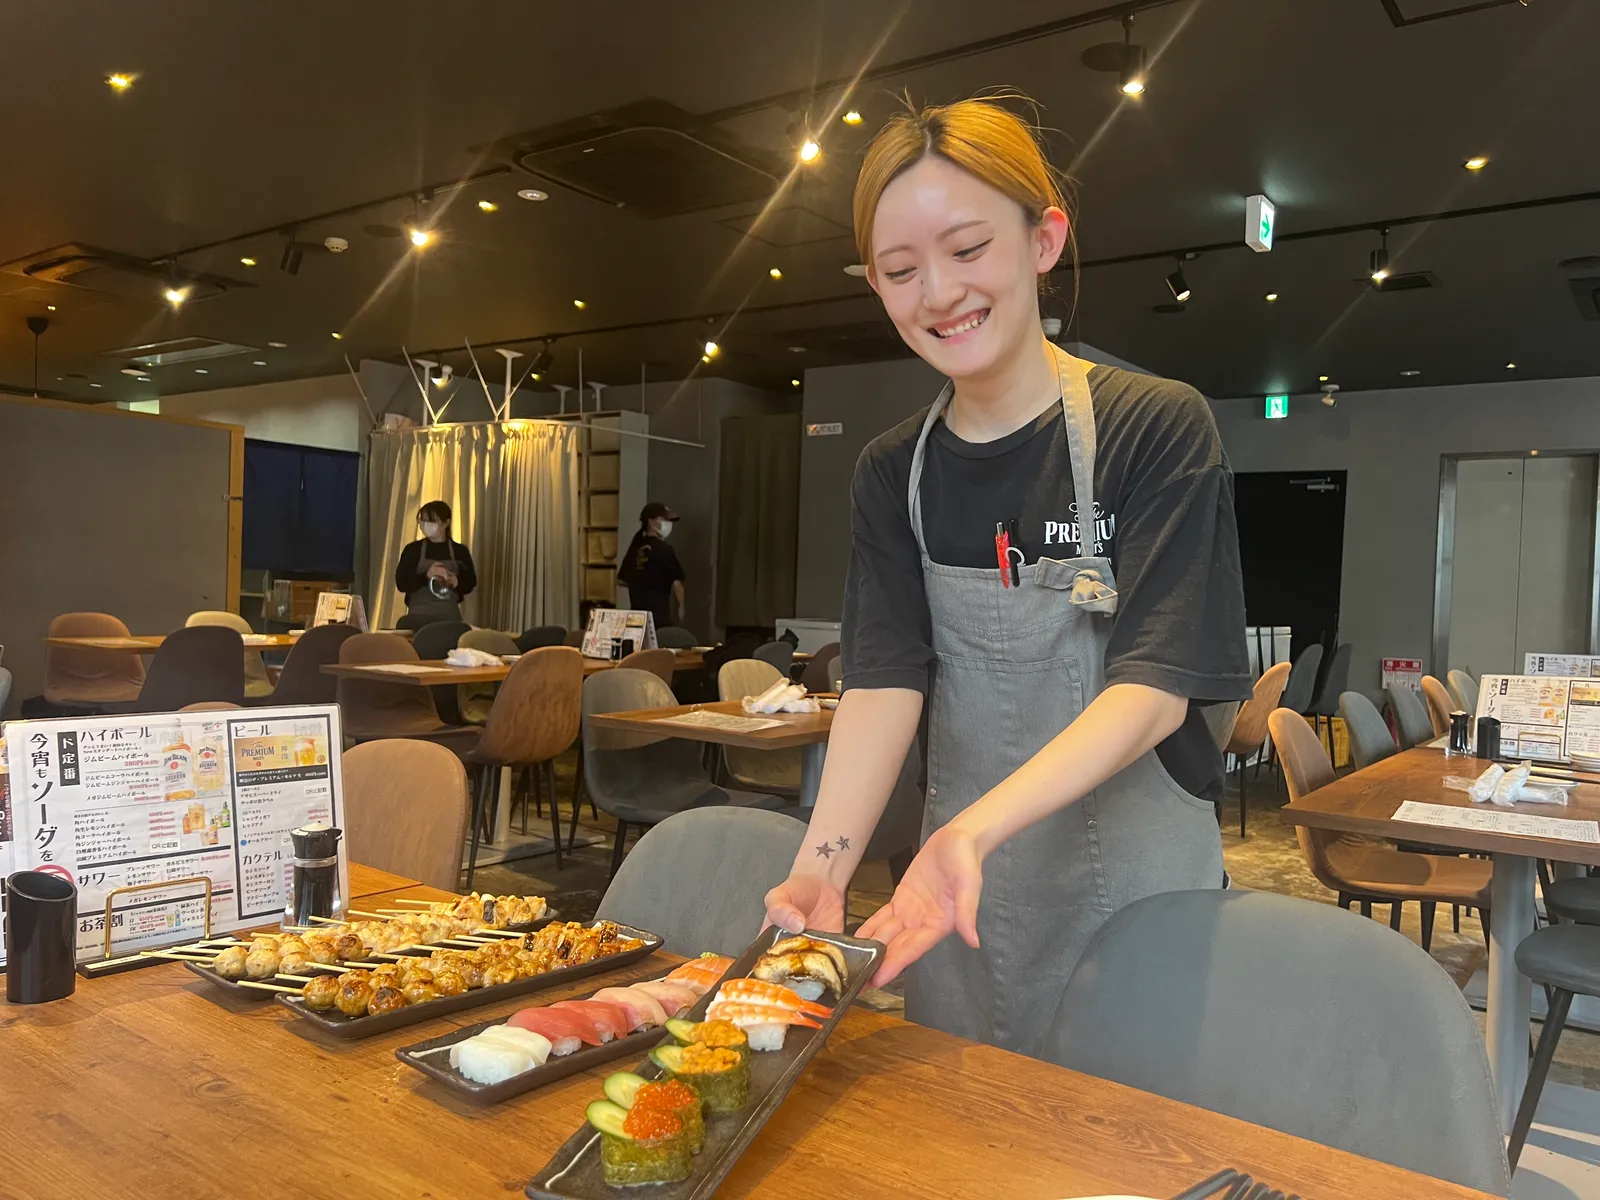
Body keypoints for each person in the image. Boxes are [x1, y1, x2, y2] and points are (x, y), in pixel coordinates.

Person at [762, 98, 1250, 1060]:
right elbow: (885, 680)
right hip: (954, 903)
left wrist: (971, 835)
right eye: (900, 272)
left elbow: (1154, 689)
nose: (937, 292)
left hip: (1139, 887)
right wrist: (825, 866)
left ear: (1043, 240)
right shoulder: (890, 473)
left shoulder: (1156, 426)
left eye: (967, 249)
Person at [394, 500, 476, 626]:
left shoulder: (460, 551)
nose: (425, 525)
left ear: (446, 523)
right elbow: (402, 583)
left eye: (431, 521)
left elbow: (470, 583)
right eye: (423, 521)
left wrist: (455, 581)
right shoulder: (413, 550)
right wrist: (426, 575)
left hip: (449, 618)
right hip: (417, 618)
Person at [617, 501, 684, 634]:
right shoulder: (664, 549)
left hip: (637, 619)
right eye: (665, 520)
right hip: (659, 618)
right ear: (652, 522)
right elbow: (676, 582)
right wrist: (681, 607)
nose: (668, 524)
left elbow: (621, 580)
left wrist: (640, 584)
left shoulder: (635, 547)